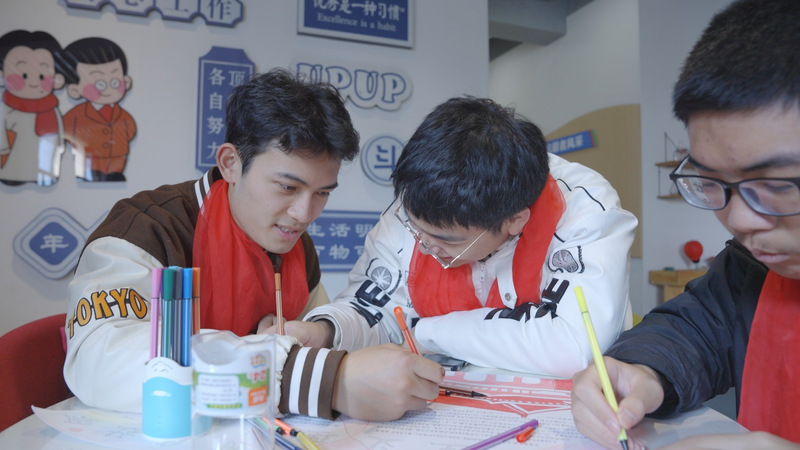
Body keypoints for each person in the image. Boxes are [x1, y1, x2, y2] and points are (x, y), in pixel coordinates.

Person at [64, 68, 444, 422]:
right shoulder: (148, 230)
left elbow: (311, 342)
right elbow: (97, 361)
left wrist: (313, 342)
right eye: (287, 187)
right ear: (231, 163)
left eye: (322, 193)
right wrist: (310, 377)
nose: (303, 214)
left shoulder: (295, 245)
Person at [270, 95, 638, 378]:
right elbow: (374, 307)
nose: (425, 245)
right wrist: (324, 330)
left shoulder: (582, 209)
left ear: (514, 220)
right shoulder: (419, 203)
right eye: (416, 228)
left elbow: (576, 346)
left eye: (448, 240)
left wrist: (425, 331)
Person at [570, 0, 800, 448]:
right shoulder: (751, 270)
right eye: (711, 180)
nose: (738, 219)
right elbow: (692, 329)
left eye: (776, 184)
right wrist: (641, 372)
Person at [62, 37, 137, 182]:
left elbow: (130, 131)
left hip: (117, 165)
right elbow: (65, 131)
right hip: (88, 165)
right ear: (75, 90)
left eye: (115, 82)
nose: (108, 89)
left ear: (126, 82)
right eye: (99, 84)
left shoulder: (123, 116)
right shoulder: (76, 115)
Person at [0, 29, 66, 186]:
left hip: (47, 167)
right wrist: (3, 148)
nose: (34, 82)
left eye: (42, 76)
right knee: (16, 166)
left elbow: (59, 132)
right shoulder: (6, 109)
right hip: (14, 162)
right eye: (24, 75)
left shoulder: (52, 108)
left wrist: (60, 146)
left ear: (56, 79)